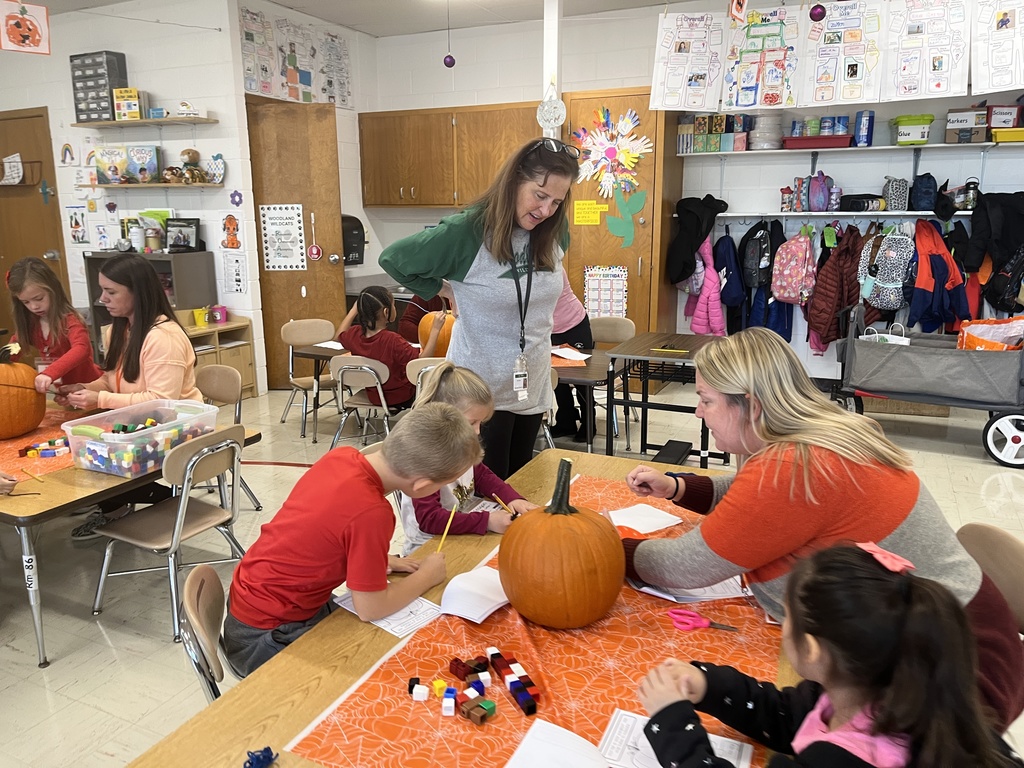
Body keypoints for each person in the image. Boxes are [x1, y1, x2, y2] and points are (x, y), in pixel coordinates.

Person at [623, 327, 1024, 732]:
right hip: (972, 631)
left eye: (705, 400)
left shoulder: (794, 467)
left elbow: (683, 568)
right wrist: (679, 487)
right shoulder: (821, 431)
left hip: (953, 679)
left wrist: (607, 547)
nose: (698, 412)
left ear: (751, 405)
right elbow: (755, 498)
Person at [638, 544, 1023, 768]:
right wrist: (707, 685)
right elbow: (789, 716)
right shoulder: (885, 689)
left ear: (813, 650)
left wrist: (673, 726)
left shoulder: (841, 761)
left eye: (786, 616)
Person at [222, 402, 482, 676]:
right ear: (422, 486)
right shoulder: (372, 513)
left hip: (248, 605)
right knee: (376, 665)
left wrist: (380, 559)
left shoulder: (342, 456)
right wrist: (427, 576)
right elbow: (371, 608)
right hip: (265, 638)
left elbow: (321, 533)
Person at [379, 137, 580, 478]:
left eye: (557, 202)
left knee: (521, 486)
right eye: (540, 195)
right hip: (479, 391)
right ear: (514, 180)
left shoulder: (553, 230)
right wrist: (444, 289)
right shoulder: (467, 232)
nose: (546, 210)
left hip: (531, 384)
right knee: (486, 493)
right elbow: (394, 259)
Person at [57, 254, 202, 540]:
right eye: (102, 290)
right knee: (81, 444)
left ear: (138, 292)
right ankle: (121, 503)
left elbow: (161, 401)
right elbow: (112, 380)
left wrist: (99, 401)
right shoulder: (119, 329)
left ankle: (139, 503)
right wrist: (88, 388)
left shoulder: (163, 338)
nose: (102, 299)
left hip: (178, 428)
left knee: (99, 454)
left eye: (111, 292)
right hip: (142, 423)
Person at [398, 362, 536, 555]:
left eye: (480, 422)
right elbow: (430, 519)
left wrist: (512, 499)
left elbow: (481, 475)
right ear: (443, 415)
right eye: (472, 422)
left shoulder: (458, 440)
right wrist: (487, 521)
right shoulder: (422, 456)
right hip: (428, 547)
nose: (478, 430)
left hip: (463, 531)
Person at [337, 286, 447, 411]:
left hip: (374, 395)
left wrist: (353, 310)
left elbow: (338, 335)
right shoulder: (392, 340)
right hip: (401, 396)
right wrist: (435, 330)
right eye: (393, 305)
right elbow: (422, 360)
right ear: (386, 312)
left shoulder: (354, 334)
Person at [7, 257, 102, 392]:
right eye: (26, 302)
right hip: (63, 393)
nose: (34, 306)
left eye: (39, 299)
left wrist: (49, 373)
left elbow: (82, 349)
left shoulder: (70, 320)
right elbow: (14, 348)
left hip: (89, 390)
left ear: (54, 291)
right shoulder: (31, 324)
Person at [549, 267, 594, 441]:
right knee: (557, 377)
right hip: (549, 329)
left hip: (573, 324)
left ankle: (589, 422)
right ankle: (566, 420)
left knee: (581, 376)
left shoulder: (553, 266)